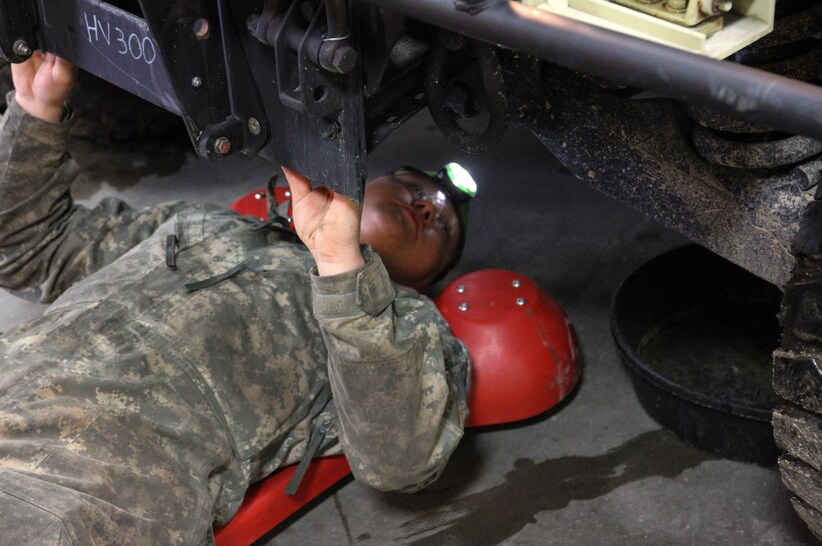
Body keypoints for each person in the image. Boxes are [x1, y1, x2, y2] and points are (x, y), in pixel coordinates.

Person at [0, 53, 472, 544]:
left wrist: (342, 270)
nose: (424, 206)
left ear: (430, 278)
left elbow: (400, 459)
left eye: (442, 226)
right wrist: (35, 110)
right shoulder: (203, 223)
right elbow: (31, 250)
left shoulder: (405, 326)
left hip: (84, 485)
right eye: (412, 185)